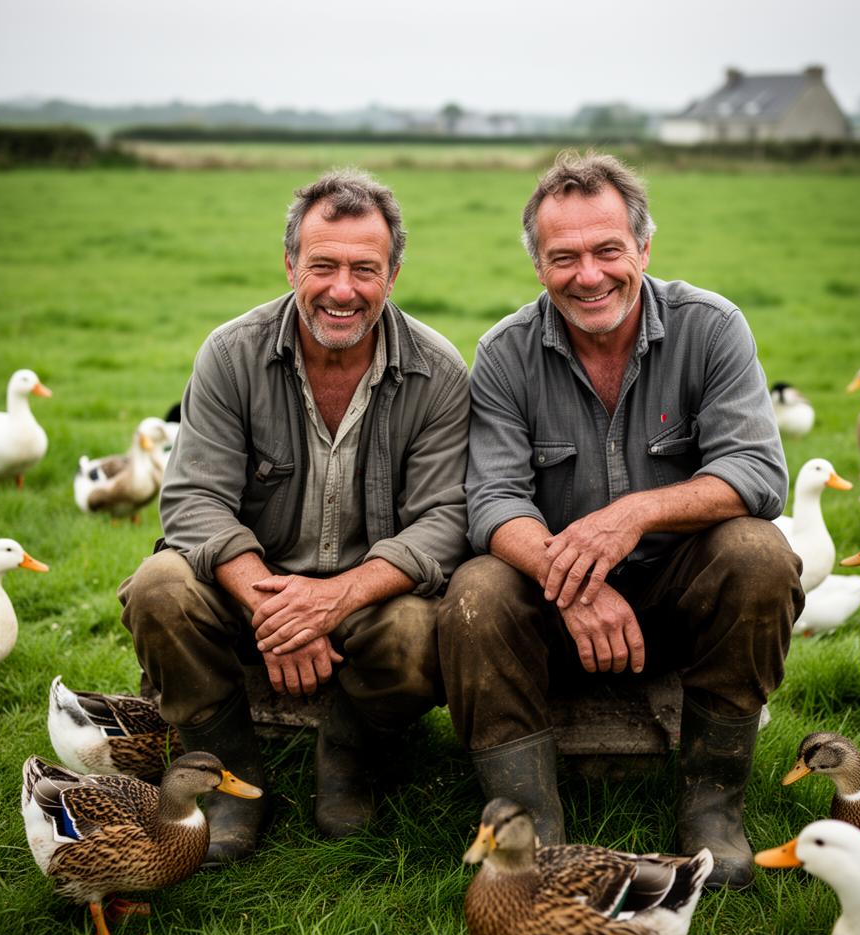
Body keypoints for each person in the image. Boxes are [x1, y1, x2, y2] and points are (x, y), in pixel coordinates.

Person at [438, 152, 804, 889]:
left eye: (608, 250)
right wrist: (567, 581)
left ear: (643, 247)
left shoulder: (711, 327)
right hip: (553, 616)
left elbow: (759, 474)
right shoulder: (506, 353)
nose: (589, 274)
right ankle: (532, 837)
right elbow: (493, 502)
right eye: (563, 256)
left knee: (759, 553)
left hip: (678, 606)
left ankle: (712, 808)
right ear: (538, 265)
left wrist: (635, 514)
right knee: (476, 588)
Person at [119, 170, 470, 863]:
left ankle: (346, 755)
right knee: (159, 589)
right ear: (290, 265)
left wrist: (333, 599)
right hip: (250, 590)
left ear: (393, 273)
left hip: (369, 598)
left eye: (365, 268)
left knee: (418, 634)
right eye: (324, 266)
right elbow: (192, 500)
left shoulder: (437, 371)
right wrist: (274, 605)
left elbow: (445, 519)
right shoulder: (231, 353)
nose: (343, 289)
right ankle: (231, 773)